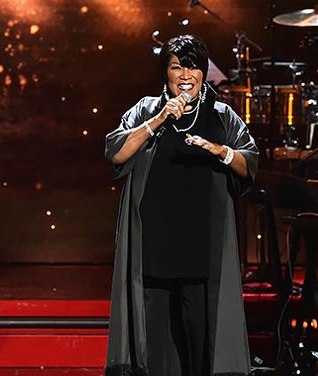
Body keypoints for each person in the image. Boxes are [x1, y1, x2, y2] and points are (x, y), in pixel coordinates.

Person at [104, 35, 259, 376]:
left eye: (192, 67)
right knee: (155, 341)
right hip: (153, 244)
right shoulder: (146, 109)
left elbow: (249, 163)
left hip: (200, 247)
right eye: (176, 67)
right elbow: (116, 152)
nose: (185, 75)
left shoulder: (222, 115)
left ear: (203, 72)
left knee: (199, 340)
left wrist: (222, 151)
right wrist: (159, 119)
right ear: (166, 74)